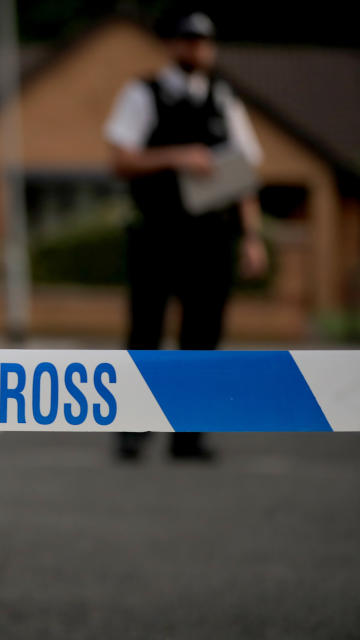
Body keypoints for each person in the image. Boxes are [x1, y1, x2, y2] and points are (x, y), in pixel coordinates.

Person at [103, 12, 269, 460]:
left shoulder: (224, 99)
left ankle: (188, 434)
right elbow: (121, 160)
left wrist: (251, 237)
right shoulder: (144, 93)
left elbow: (243, 174)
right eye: (187, 41)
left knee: (203, 336)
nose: (195, 50)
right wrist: (178, 156)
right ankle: (134, 430)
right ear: (173, 45)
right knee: (146, 333)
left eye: (203, 42)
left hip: (211, 236)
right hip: (158, 230)